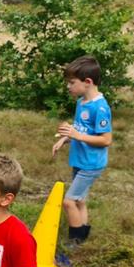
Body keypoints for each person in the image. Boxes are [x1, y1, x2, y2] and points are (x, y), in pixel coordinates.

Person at [51, 55, 112, 245]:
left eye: (72, 82)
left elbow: (106, 140)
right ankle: (84, 235)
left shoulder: (100, 108)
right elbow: (81, 130)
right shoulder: (81, 102)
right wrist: (65, 139)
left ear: (88, 82)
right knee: (79, 200)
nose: (68, 86)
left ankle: (75, 241)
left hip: (91, 164)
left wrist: (76, 135)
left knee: (69, 202)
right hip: (80, 160)